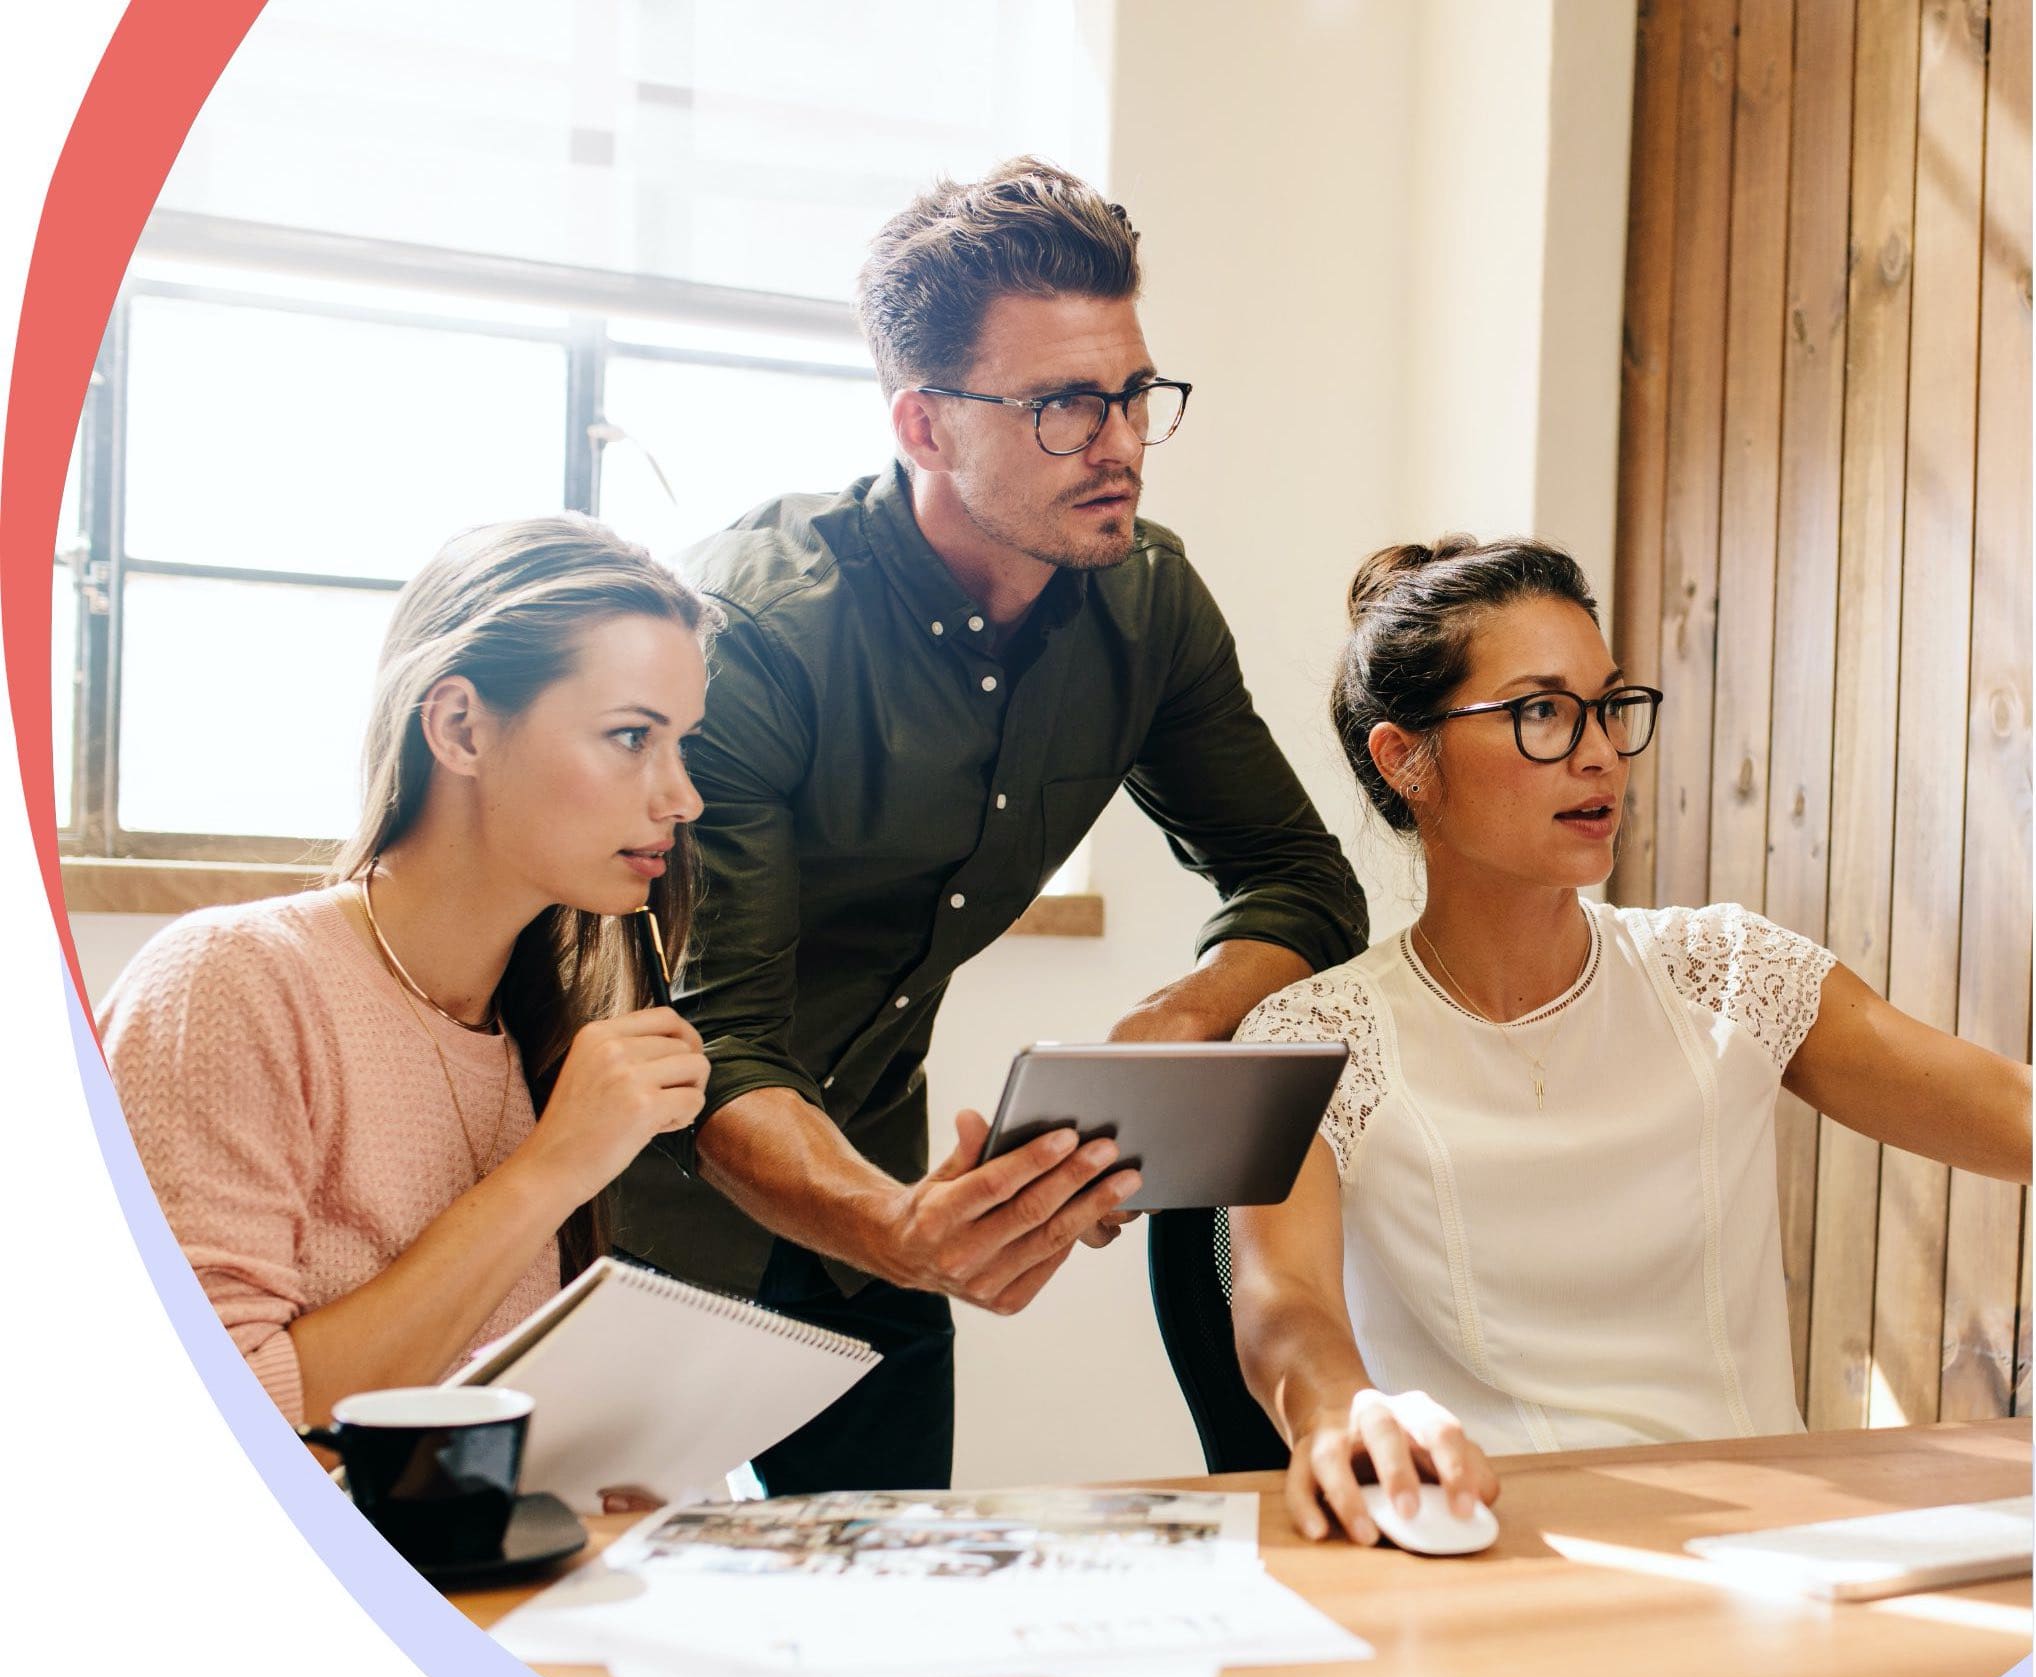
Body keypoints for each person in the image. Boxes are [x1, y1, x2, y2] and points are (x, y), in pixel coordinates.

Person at [615, 157, 1369, 1494]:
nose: (1122, 443)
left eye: (1136, 393)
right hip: (629, 1192)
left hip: (877, 1176)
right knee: (607, 1626)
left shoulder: (1149, 607)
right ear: (922, 425)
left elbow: (1303, 882)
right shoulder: (758, 632)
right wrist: (897, 1229)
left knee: (889, 1604)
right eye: (1068, 406)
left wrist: (1183, 1015)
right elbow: (721, 1038)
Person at [1230, 536, 2032, 1544]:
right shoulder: (1312, 1036)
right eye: (1539, 712)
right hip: (1491, 1546)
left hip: (1783, 1546)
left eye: (1607, 704)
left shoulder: (1733, 973)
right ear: (1405, 760)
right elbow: (1279, 1300)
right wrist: (1342, 1410)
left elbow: (2012, 1112)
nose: (1598, 749)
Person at [100, 516, 713, 1428]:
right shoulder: (230, 983)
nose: (682, 797)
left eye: (683, 744)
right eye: (631, 737)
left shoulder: (532, 1032)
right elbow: (219, 1420)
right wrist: (551, 1172)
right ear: (460, 727)